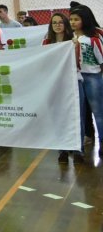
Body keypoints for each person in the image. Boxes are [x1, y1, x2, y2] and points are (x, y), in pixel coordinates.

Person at [43, 13, 83, 163]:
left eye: (60, 22)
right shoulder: (47, 42)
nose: (58, 25)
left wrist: (74, 47)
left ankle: (78, 149)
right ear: (51, 26)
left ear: (65, 24)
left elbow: (77, 64)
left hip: (73, 82)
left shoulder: (73, 41)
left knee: (77, 116)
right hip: (55, 83)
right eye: (54, 23)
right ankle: (62, 150)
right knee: (58, 117)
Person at [70, 5, 103, 159]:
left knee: (98, 113)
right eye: (70, 19)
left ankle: (102, 142)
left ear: (85, 20)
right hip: (75, 78)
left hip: (92, 77)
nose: (72, 22)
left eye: (76, 19)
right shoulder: (69, 38)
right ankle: (78, 147)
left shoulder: (94, 39)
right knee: (79, 114)